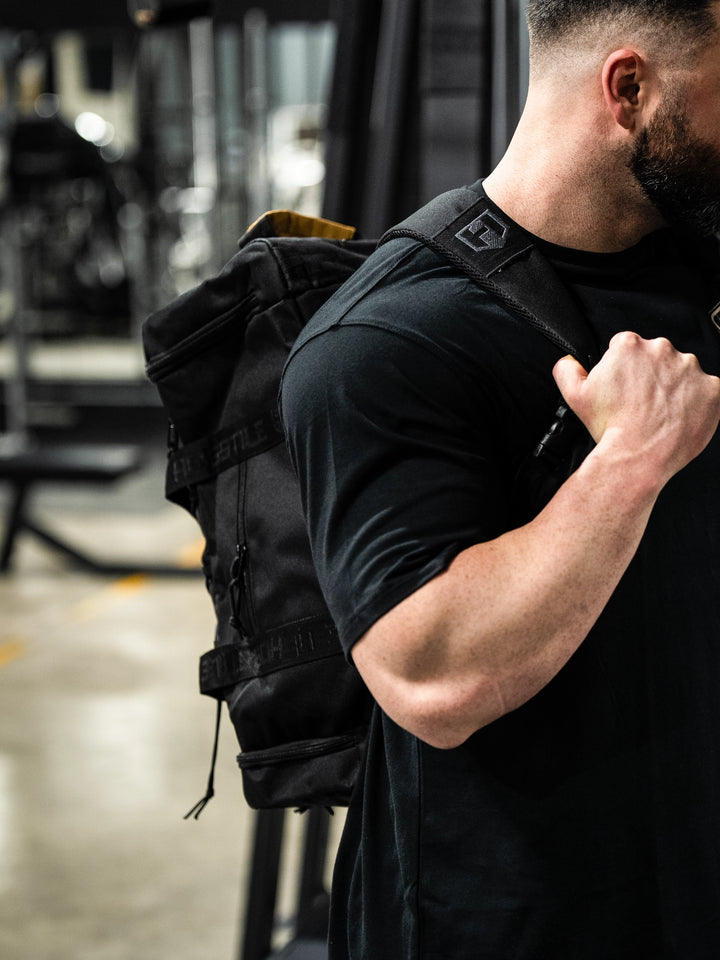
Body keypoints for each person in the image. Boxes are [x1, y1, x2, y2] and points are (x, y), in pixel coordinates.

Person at [279, 1, 720, 957]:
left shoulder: (697, 268)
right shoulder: (388, 341)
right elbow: (432, 679)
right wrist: (629, 463)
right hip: (511, 921)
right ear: (629, 89)